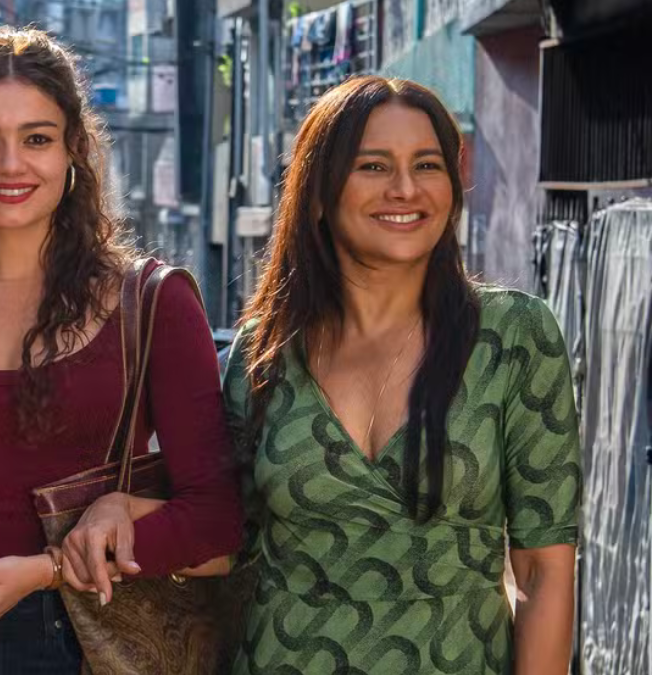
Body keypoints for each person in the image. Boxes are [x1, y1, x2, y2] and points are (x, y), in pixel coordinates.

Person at [0, 26, 243, 674]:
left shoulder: (151, 301)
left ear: (74, 148)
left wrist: (49, 567)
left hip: (80, 634)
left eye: (37, 138)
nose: (10, 164)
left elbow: (217, 525)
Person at [222, 76, 581, 673]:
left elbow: (545, 573)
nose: (406, 189)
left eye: (427, 165)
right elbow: (219, 545)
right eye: (374, 166)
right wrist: (116, 512)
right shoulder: (263, 353)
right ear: (318, 193)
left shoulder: (514, 336)